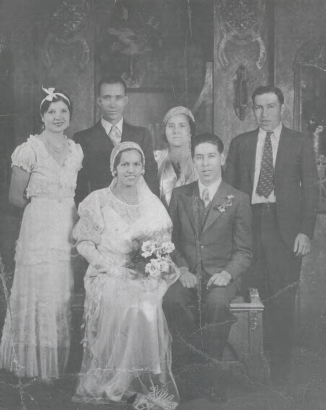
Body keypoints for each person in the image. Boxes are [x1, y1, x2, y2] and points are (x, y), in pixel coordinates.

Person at [72, 142, 179, 409]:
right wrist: (110, 267)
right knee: (127, 304)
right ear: (114, 168)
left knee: (147, 304)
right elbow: (84, 243)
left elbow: (161, 246)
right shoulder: (98, 200)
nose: (130, 170)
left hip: (140, 274)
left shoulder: (152, 203)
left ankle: (133, 380)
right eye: (124, 164)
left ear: (143, 168)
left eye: (136, 165)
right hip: (105, 272)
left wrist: (150, 268)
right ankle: (116, 380)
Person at [224, 85, 319, 382]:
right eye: (258, 108)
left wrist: (305, 232)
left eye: (270, 107)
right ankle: (253, 367)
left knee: (281, 299)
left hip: (286, 232)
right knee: (253, 298)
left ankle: (280, 375)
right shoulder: (241, 143)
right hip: (249, 228)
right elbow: (229, 190)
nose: (264, 114)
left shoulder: (299, 142)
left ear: (282, 108)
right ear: (253, 110)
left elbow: (311, 191)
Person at [0, 87, 83, 379]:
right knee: (38, 291)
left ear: (70, 116)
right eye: (51, 112)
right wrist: (42, 213)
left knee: (60, 291)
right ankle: (32, 366)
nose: (58, 117)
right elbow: (14, 197)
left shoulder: (76, 149)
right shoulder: (29, 149)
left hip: (67, 227)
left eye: (63, 111)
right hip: (38, 226)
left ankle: (56, 365)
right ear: (42, 117)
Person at [163, 133, 252, 402]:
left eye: (211, 156)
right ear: (193, 160)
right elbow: (170, 241)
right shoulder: (180, 195)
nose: (205, 163)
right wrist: (181, 269)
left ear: (222, 158)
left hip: (221, 276)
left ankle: (211, 375)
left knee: (215, 305)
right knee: (172, 301)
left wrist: (227, 273)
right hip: (188, 275)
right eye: (199, 157)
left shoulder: (237, 199)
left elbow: (245, 251)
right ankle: (187, 374)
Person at [74, 76, 159, 204]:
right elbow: (80, 186)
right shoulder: (83, 138)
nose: (113, 104)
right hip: (99, 210)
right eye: (107, 97)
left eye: (118, 98)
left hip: (136, 210)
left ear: (125, 100)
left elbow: (151, 178)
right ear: (99, 101)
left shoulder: (141, 135)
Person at [154, 106, 198, 207]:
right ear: (164, 131)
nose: (175, 131)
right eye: (170, 126)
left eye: (182, 125)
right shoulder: (155, 159)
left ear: (190, 131)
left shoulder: (201, 160)